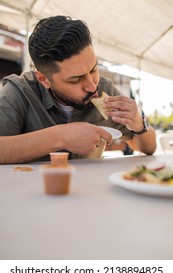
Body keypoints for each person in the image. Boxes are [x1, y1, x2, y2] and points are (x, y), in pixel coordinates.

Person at [0, 15, 156, 164]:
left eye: (94, 69)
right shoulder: (19, 92)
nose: (92, 85)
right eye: (76, 79)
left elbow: (147, 147)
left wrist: (139, 124)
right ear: (44, 79)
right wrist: (60, 136)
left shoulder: (104, 88)